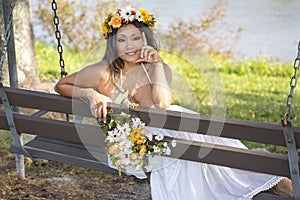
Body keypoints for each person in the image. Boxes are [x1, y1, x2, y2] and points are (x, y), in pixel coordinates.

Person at [54, 6, 293, 199]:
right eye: (122, 40)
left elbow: (162, 103)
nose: (130, 46)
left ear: (145, 39)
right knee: (191, 137)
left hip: (169, 127)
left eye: (135, 38)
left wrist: (157, 65)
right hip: (133, 147)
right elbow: (61, 85)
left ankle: (267, 181)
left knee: (200, 133)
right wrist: (92, 94)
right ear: (112, 44)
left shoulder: (159, 68)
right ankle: (267, 181)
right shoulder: (102, 71)